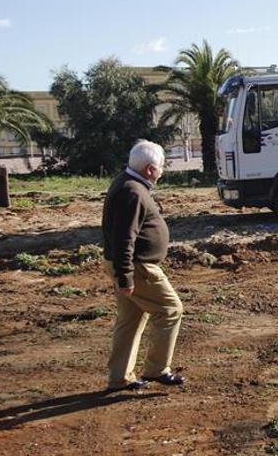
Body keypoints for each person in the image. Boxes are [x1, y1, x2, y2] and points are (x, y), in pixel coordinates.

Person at [101, 140, 185, 391]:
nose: (162, 171)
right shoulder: (133, 192)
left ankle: (119, 378)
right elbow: (124, 237)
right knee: (171, 309)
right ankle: (157, 370)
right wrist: (125, 276)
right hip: (138, 268)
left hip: (127, 266)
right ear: (150, 169)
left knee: (131, 319)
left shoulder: (127, 183)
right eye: (161, 167)